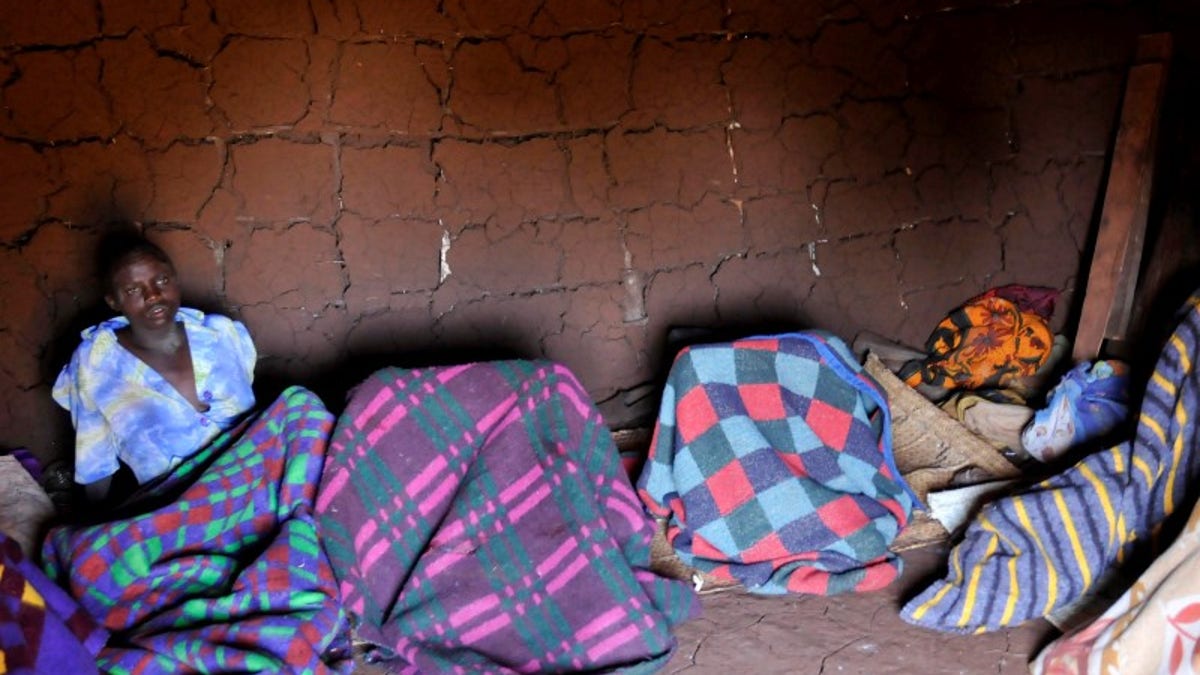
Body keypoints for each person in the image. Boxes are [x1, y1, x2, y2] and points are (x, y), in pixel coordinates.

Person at [52, 232, 256, 504]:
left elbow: (254, 411)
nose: (153, 295)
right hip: (181, 503)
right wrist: (95, 524)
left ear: (175, 280)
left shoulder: (220, 333)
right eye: (134, 290)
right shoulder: (95, 364)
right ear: (114, 301)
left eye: (161, 280)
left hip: (257, 473)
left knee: (301, 403)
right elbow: (95, 458)